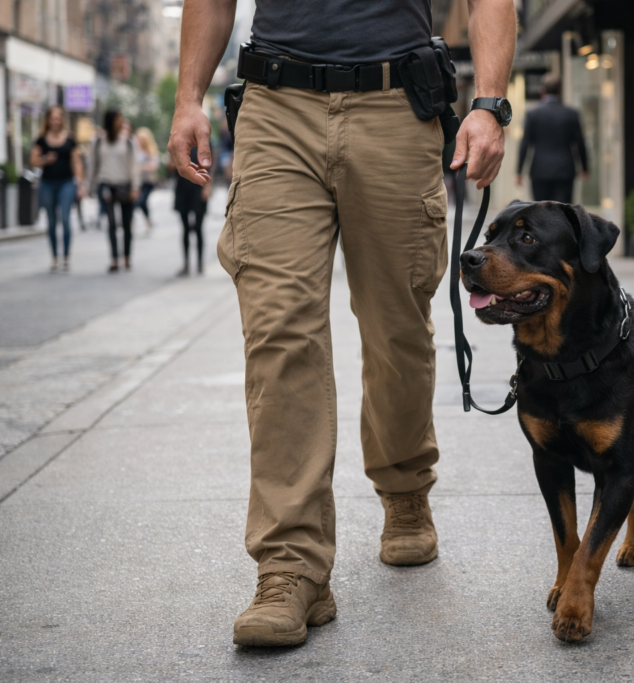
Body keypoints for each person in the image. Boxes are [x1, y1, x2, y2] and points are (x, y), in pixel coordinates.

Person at [170, 0, 516, 647]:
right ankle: (290, 566)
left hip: (395, 104)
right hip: (275, 108)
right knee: (279, 332)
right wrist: (189, 96)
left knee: (398, 330)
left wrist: (489, 102)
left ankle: (405, 484)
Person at [515, 74, 588, 203]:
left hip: (539, 170)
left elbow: (525, 143)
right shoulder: (571, 114)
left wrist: (519, 172)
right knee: (564, 212)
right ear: (560, 90)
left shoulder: (533, 114)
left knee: (541, 212)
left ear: (542, 91)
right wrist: (584, 167)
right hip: (565, 170)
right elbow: (580, 143)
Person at [31, 105, 84, 272]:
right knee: (52, 221)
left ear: (62, 120)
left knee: (66, 219)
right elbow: (33, 160)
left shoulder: (70, 139)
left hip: (66, 183)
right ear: (48, 120)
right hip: (47, 184)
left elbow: (76, 161)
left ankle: (66, 257)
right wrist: (45, 160)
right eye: (52, 118)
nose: (56, 121)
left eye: (58, 117)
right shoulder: (41, 139)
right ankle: (54, 257)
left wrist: (79, 183)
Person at [89, 110, 139, 272]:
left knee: (126, 224)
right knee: (111, 223)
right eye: (118, 119)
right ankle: (114, 259)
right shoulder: (98, 142)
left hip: (125, 185)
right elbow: (92, 165)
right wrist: (88, 187)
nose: (121, 122)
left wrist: (135, 187)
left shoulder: (129, 141)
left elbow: (134, 166)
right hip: (106, 184)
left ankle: (126, 257)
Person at [172, 147, 211, 276]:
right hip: (183, 188)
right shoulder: (179, 140)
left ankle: (200, 263)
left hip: (199, 188)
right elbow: (171, 168)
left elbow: (210, 164)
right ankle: (186, 264)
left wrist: (208, 187)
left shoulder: (203, 140)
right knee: (185, 229)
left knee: (199, 228)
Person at [135, 127, 160, 232]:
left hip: (148, 181)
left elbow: (153, 166)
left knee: (142, 201)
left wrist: (140, 167)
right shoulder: (135, 150)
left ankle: (148, 221)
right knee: (137, 202)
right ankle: (145, 221)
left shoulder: (150, 150)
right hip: (137, 181)